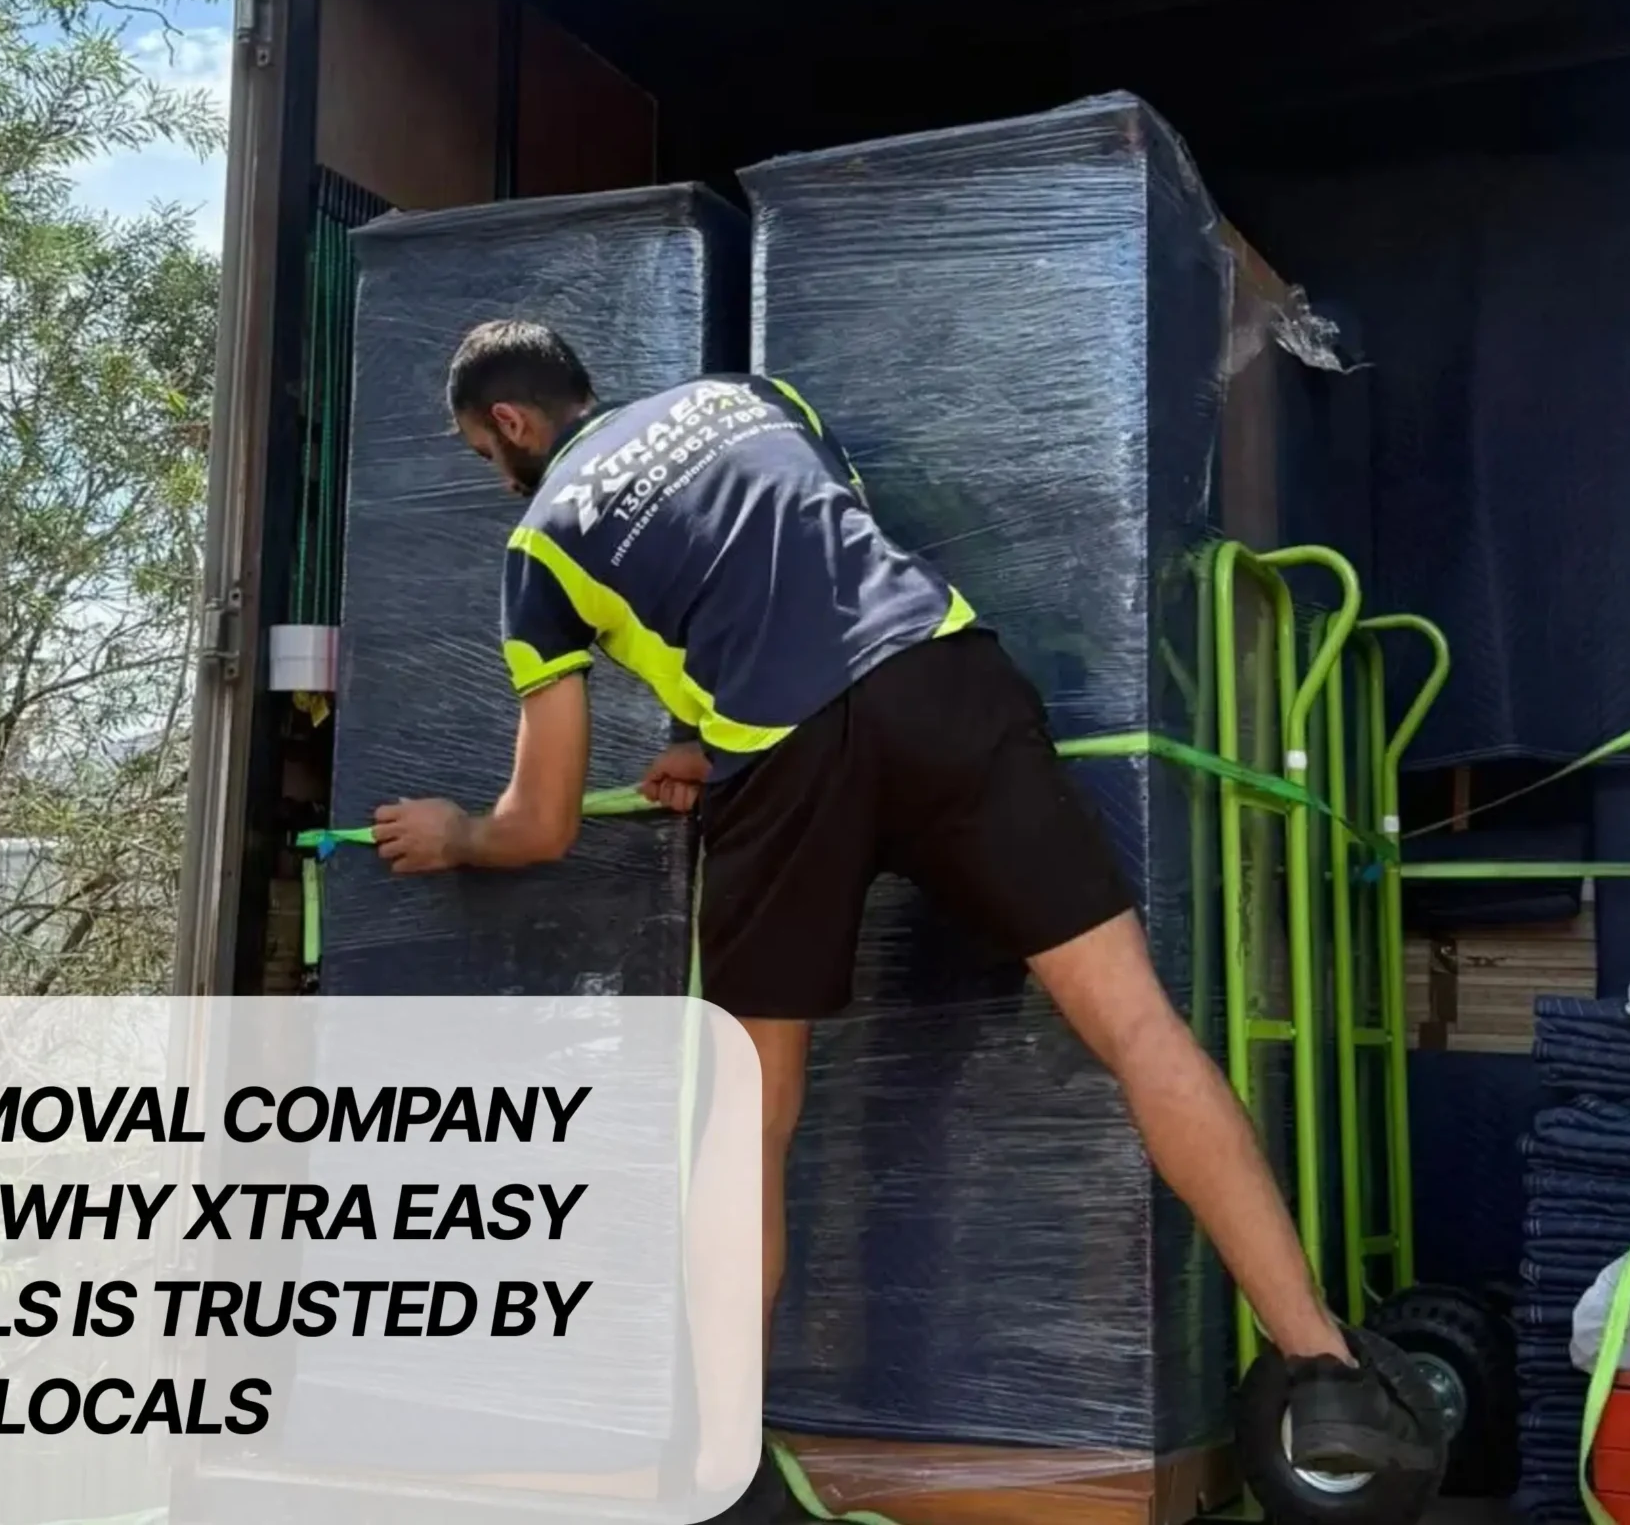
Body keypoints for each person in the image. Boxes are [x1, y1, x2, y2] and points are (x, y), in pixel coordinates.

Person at [369, 319, 1435, 1512]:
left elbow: (544, 821)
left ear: (512, 422)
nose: (495, 475)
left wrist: (457, 832)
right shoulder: (749, 398)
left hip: (784, 762)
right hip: (939, 680)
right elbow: (819, 580)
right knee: (1139, 1027)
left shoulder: (542, 545)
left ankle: (721, 1471)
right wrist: (704, 741)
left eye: (484, 453)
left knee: (751, 1121)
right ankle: (1322, 1373)